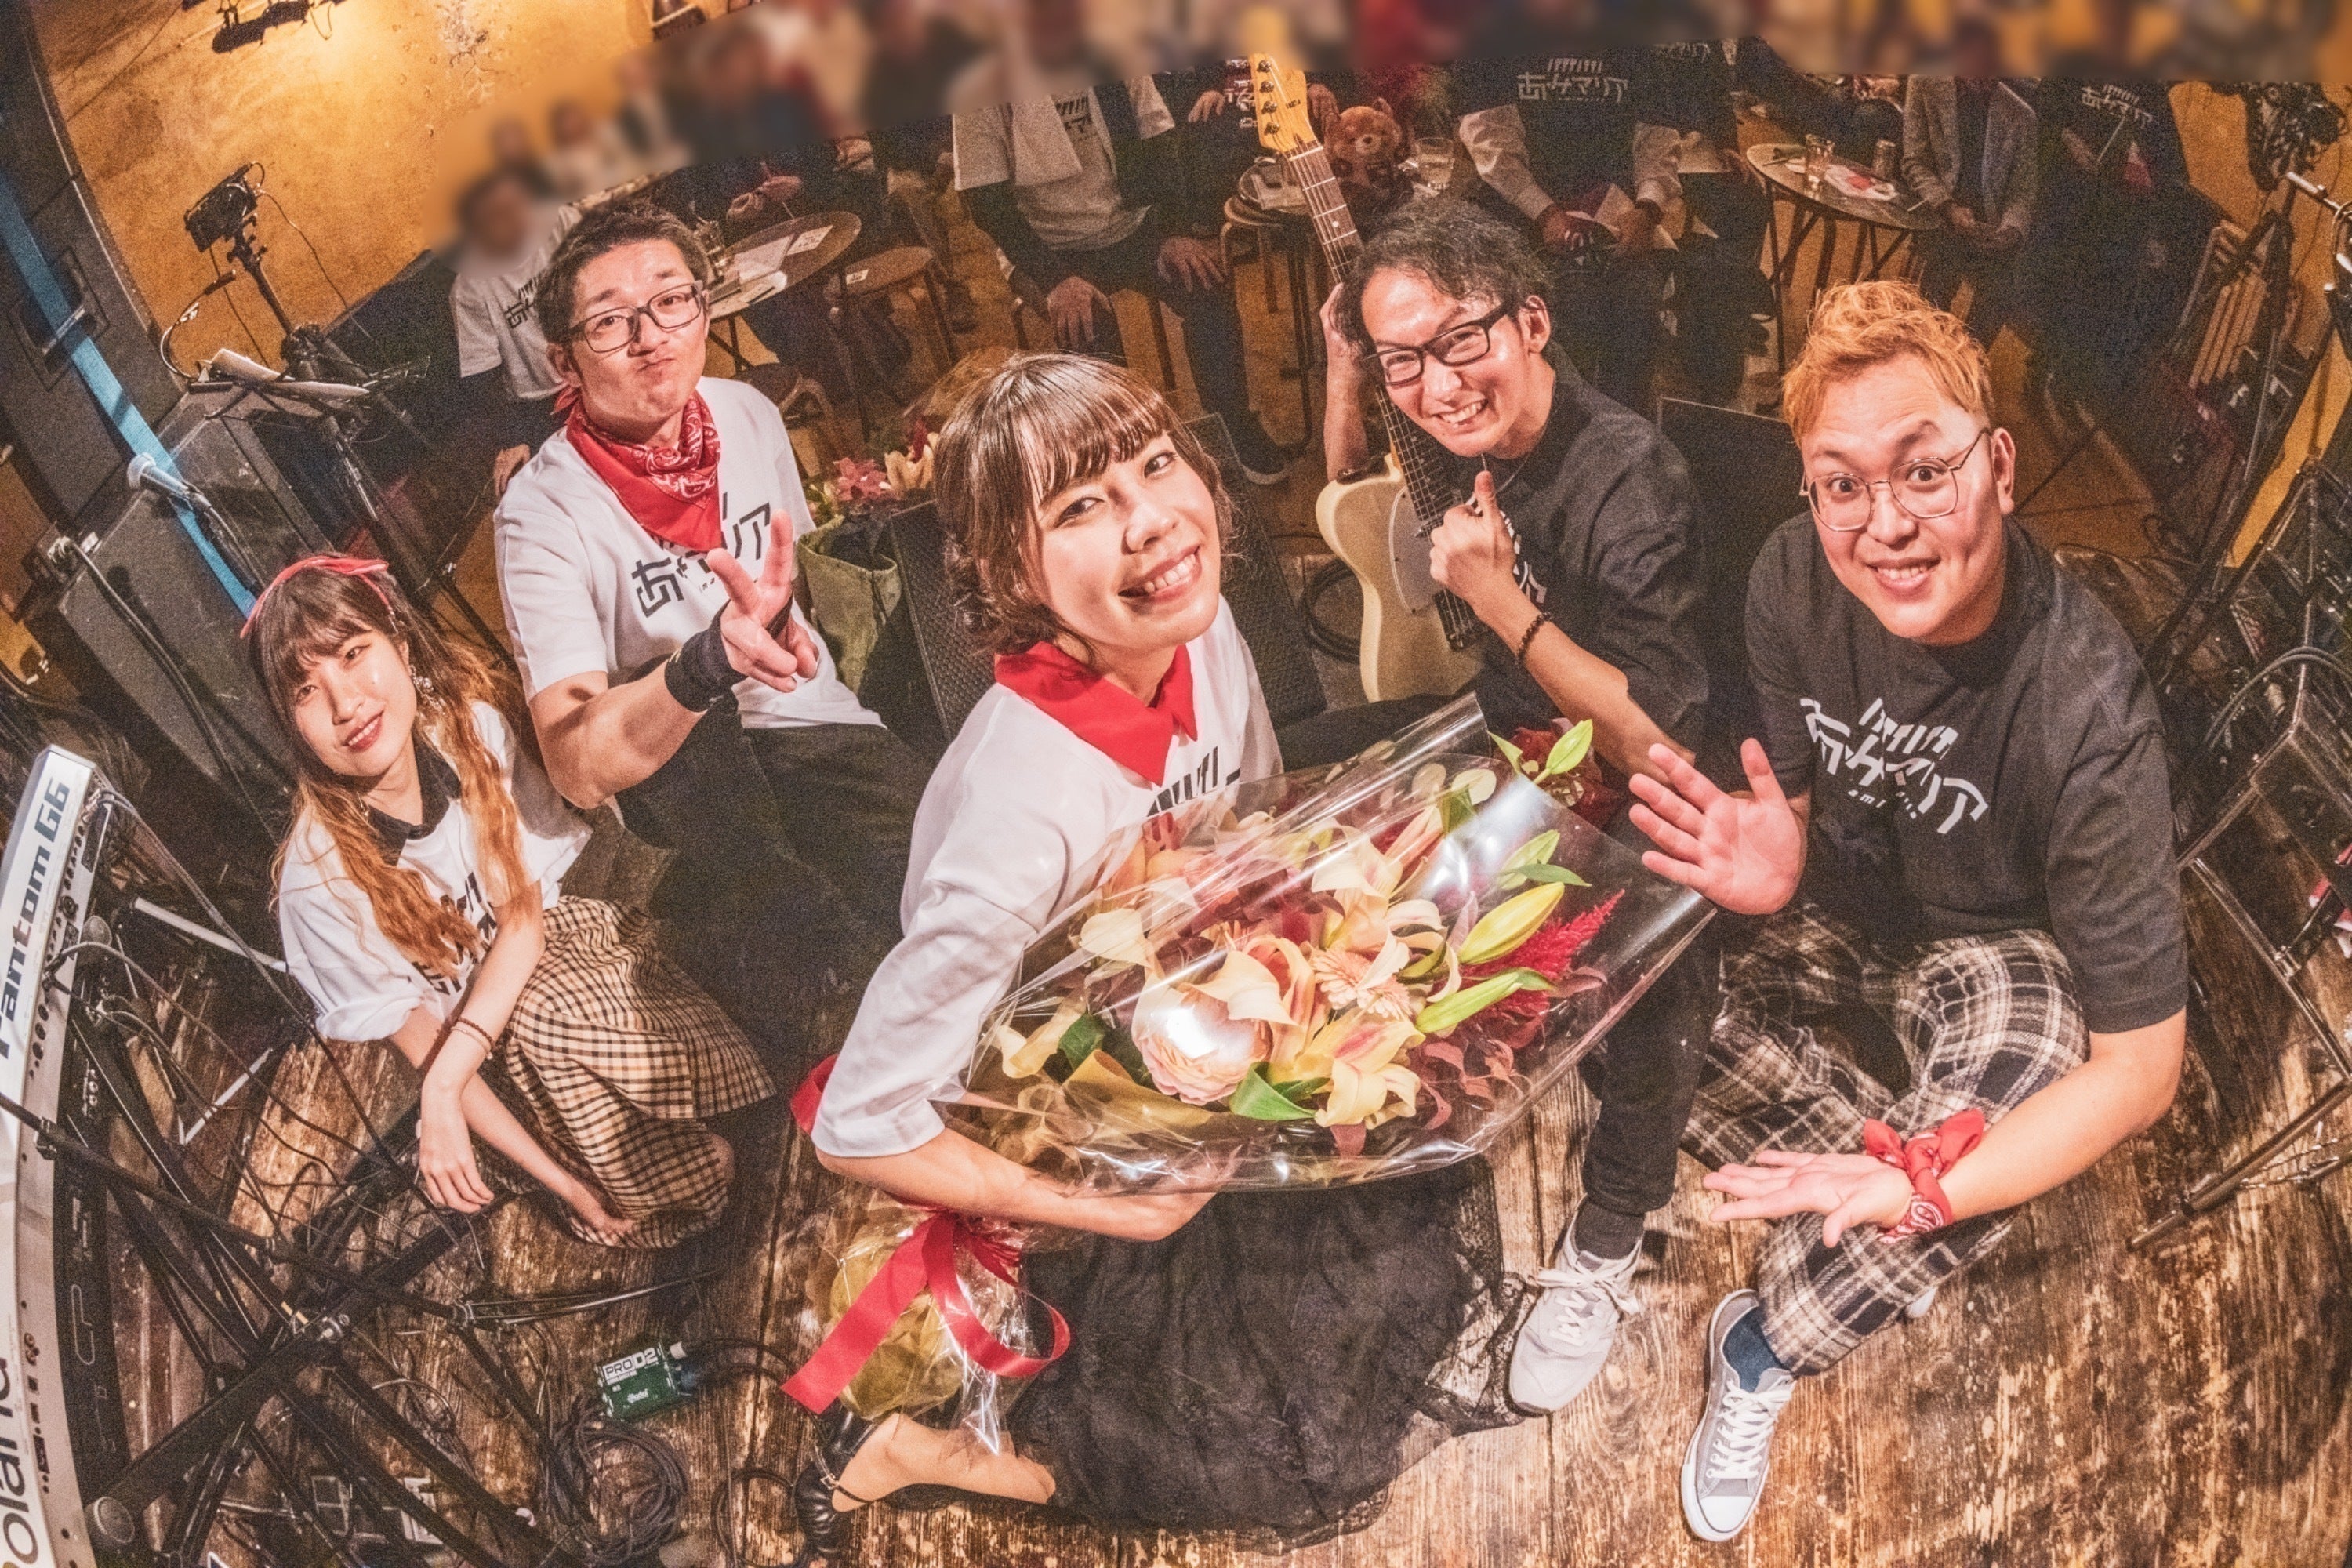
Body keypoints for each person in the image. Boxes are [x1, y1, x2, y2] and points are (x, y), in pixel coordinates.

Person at [789, 354, 1512, 1559]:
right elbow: (860, 1128)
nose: (1152, 521)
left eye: (1156, 464)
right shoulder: (1022, 809)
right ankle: (919, 1450)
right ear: (1011, 573)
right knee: (1260, 1443)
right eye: (1083, 505)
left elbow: (1250, 827)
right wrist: (1106, 1212)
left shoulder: (1202, 626)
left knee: (1384, 1267)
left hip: (1192, 1067)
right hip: (1063, 1134)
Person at [1629, 281, 2186, 1541]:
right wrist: (1775, 859)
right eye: (1842, 484)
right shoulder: (1789, 573)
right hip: (1836, 909)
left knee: (1947, 1175)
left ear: (2000, 467)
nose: (1885, 525)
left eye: (1925, 472)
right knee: (1629, 992)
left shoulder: (2088, 706)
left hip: (1991, 950)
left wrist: (1930, 1191)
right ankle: (1896, 1155)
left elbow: (2142, 1070)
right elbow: (1795, 800)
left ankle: (1765, 1343)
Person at [1313, 200, 1719, 1419]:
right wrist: (1347, 369)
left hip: (1647, 783)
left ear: (1532, 322)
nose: (1438, 386)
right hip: (1513, 744)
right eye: (1404, 360)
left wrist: (1496, 601)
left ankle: (1608, 1234)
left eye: (1460, 341)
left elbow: (1658, 737)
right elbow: (1346, 476)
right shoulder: (1444, 431)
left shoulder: (1629, 480)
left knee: (1657, 983)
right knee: (1320, 828)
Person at [495, 204, 924, 1057]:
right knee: (842, 974)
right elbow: (576, 766)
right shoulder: (540, 516)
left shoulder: (748, 414)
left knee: (945, 874)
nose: (651, 336)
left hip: (811, 724)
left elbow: (793, 580)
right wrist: (704, 663)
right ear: (563, 362)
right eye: (610, 322)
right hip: (695, 778)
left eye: (671, 301)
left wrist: (794, 631)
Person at [256, 557, 774, 1249]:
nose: (345, 704)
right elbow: (429, 1054)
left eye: (354, 655)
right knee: (694, 1182)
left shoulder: (467, 733)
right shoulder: (317, 884)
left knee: (547, 1016)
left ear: (400, 645)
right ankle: (666, 1137)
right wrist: (567, 1186)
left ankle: (712, 1079)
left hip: (556, 973)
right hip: (483, 1069)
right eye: (306, 691)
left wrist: (441, 1088)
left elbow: (525, 927)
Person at [949, 0, 1294, 484]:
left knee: (1206, 285)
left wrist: (1173, 230)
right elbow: (986, 201)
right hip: (1049, 245)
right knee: (1088, 329)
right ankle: (1123, 454)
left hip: (1132, 224)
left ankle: (1233, 424)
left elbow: (1159, 139)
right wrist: (1054, 279)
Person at [1450, 32, 1683, 412]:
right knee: (1566, 309)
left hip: (1614, 215)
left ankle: (1624, 428)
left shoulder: (1633, 42)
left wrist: (1648, 207)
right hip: (1518, 211)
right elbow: (1492, 148)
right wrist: (1545, 213)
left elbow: (1657, 141)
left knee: (1638, 305)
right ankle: (1552, 421)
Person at [1901, 22, 2039, 346]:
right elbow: (1914, 161)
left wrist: (2011, 230)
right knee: (1937, 275)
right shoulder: (1925, 83)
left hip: (1989, 225)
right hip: (1940, 211)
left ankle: (1970, 359)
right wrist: (1947, 206)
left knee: (2003, 288)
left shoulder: (2021, 116)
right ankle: (1923, 348)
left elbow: (2023, 190)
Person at [450, 170, 579, 499]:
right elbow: (482, 373)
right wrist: (512, 438)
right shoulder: (470, 287)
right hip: (539, 405)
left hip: (595, 366)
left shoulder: (559, 222)